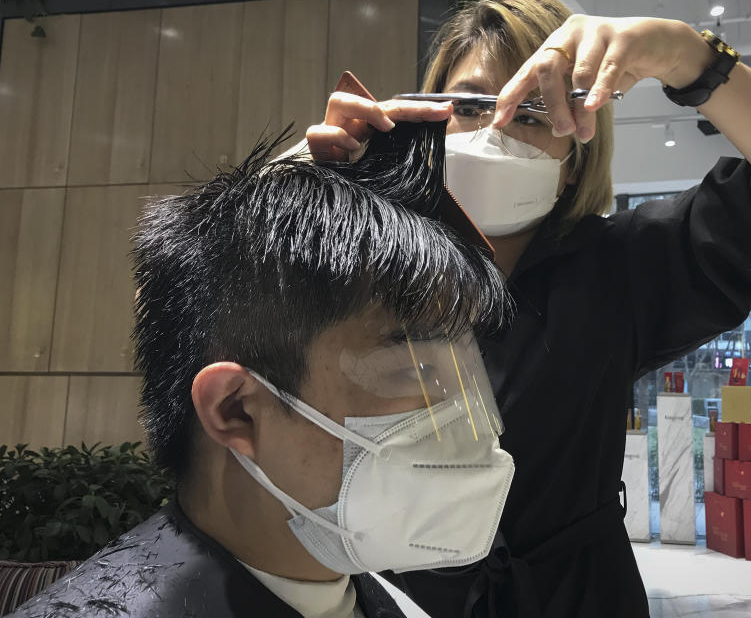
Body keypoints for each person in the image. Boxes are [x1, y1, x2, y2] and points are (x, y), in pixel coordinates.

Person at [299, 0, 751, 618]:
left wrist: (687, 55)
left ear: (574, 159)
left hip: (574, 596)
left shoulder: (624, 265)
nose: (491, 131)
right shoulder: (371, 264)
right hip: (394, 594)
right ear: (425, 118)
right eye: (466, 105)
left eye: (531, 113)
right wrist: (299, 190)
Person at [5, 122, 516, 618]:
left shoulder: (388, 600)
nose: (460, 412)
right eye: (417, 369)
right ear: (238, 410)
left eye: (464, 370)